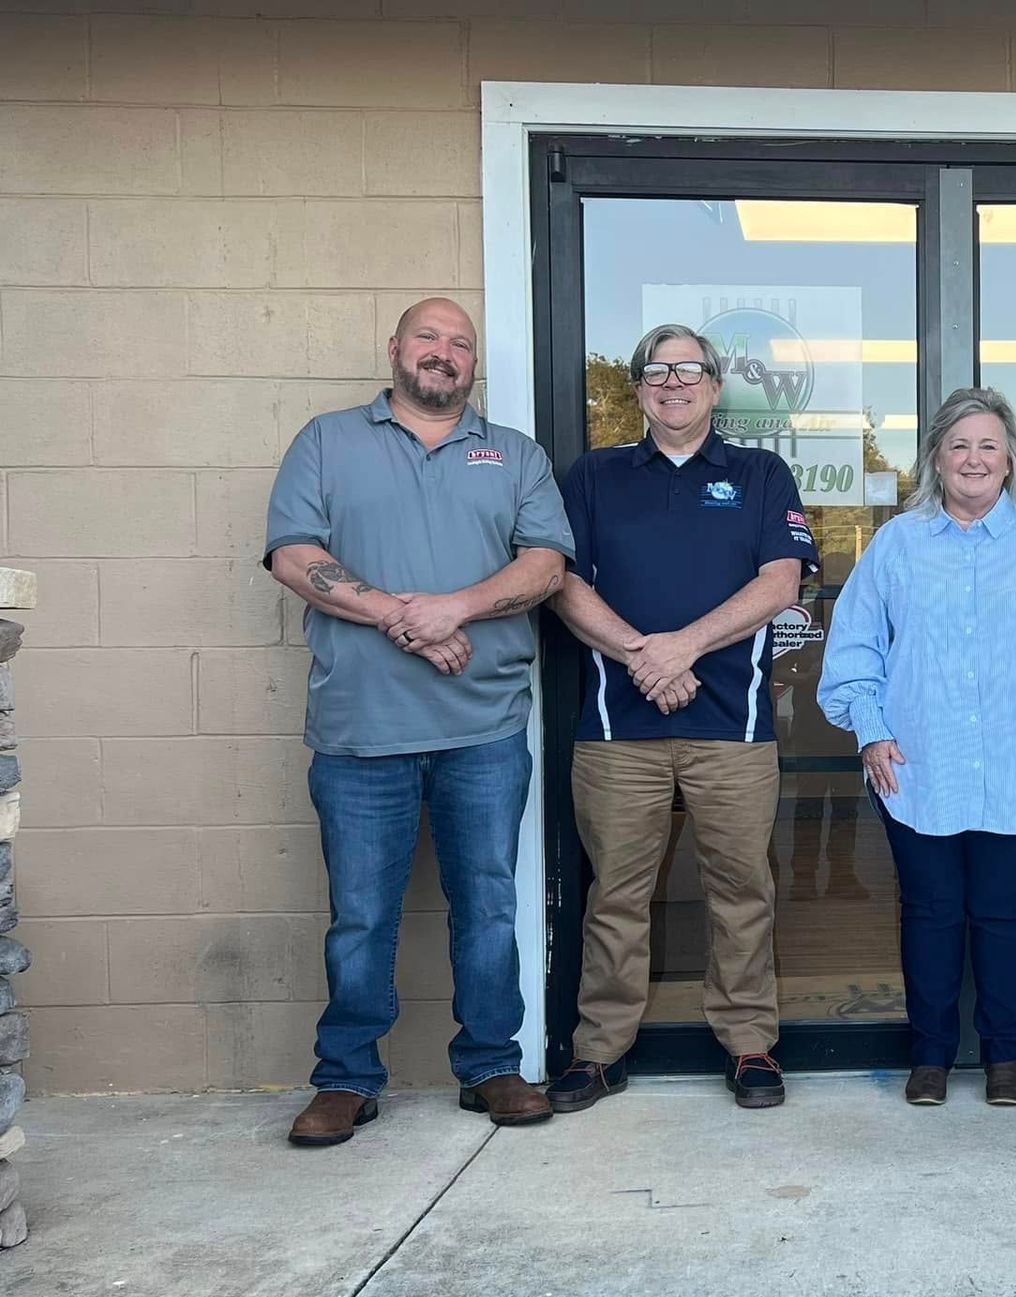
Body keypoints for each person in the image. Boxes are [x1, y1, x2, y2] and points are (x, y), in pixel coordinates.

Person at [266, 297, 573, 1146]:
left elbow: (545, 564)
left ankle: (492, 1066)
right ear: (395, 348)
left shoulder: (513, 455)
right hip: (360, 731)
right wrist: (405, 616)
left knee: (486, 906)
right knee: (361, 913)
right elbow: (295, 554)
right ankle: (347, 1077)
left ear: (474, 364)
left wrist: (455, 609)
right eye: (429, 338)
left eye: (461, 344)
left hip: (483, 728)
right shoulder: (327, 440)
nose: (444, 354)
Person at [543, 322, 817, 1113]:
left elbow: (781, 583)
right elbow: (561, 582)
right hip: (615, 731)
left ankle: (749, 1043)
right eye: (656, 371)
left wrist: (682, 649)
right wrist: (643, 655)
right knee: (615, 897)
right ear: (637, 389)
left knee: (741, 891)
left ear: (715, 384)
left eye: (689, 369)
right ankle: (600, 1051)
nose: (673, 382)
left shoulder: (761, 473)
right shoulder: (593, 476)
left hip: (731, 730)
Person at [819, 387, 1016, 1106]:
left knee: (1006, 914)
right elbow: (855, 647)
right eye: (959, 446)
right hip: (918, 766)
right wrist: (871, 729)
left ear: (1010, 459)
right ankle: (931, 1056)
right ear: (937, 460)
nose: (974, 459)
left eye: (988, 445)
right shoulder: (897, 544)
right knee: (931, 912)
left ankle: (1006, 1058)